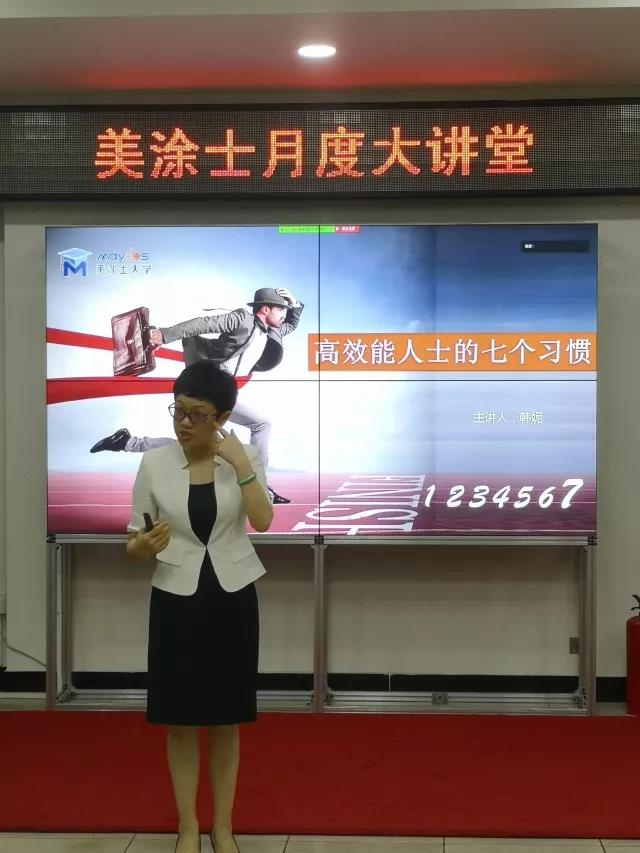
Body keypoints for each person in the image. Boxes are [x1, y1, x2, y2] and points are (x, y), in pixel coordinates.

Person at [126, 360, 273, 853]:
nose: (184, 423)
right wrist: (144, 546)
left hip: (232, 598)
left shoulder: (243, 457)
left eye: (197, 414)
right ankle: (188, 828)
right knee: (182, 719)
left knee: (226, 720)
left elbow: (263, 521)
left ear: (223, 418)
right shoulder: (154, 464)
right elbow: (134, 544)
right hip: (175, 599)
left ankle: (222, 828)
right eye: (178, 410)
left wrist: (244, 468)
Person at [91, 286, 304, 504]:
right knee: (208, 446)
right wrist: (163, 335)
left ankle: (127, 442)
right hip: (208, 388)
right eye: (280, 309)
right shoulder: (242, 320)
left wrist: (294, 303)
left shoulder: (271, 330)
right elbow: (202, 324)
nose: (284, 314)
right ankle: (258, 484)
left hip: (223, 392)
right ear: (265, 309)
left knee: (229, 438)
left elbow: (291, 324)